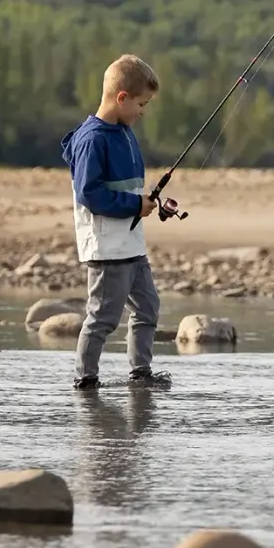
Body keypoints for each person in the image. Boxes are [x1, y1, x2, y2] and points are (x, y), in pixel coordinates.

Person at [61, 53, 170, 391]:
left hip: (131, 245)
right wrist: (135, 205)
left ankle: (140, 373)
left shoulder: (123, 131)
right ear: (121, 98)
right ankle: (85, 379)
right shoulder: (93, 139)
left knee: (147, 307)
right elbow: (90, 195)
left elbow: (128, 190)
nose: (142, 111)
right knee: (103, 317)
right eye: (141, 103)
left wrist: (149, 203)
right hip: (107, 248)